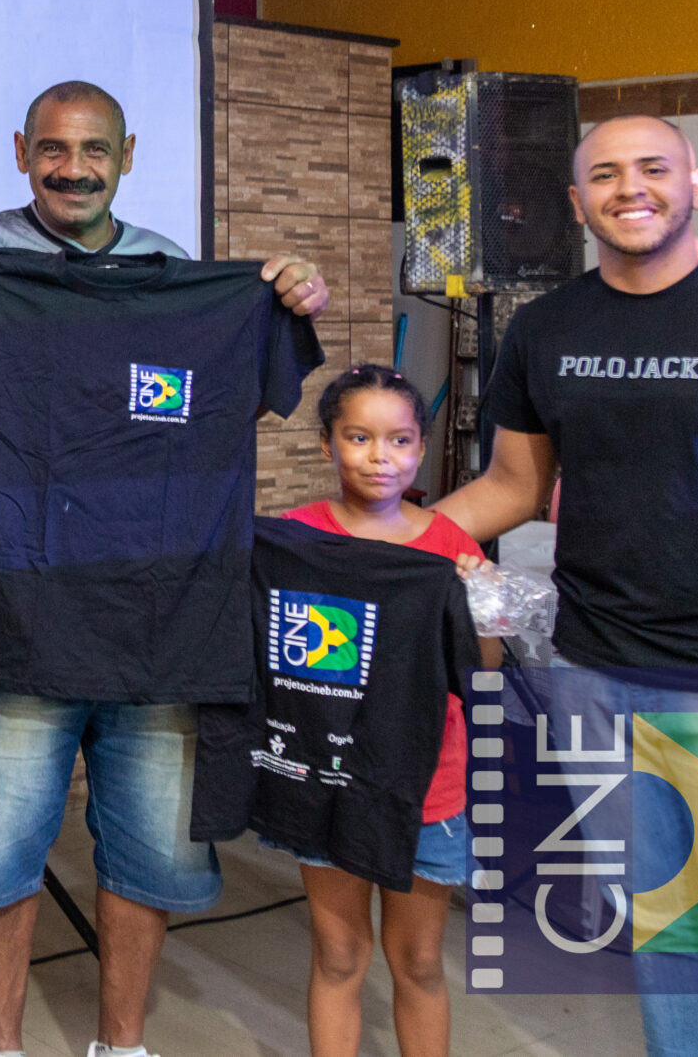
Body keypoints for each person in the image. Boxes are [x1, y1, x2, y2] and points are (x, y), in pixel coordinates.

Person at [0, 80, 330, 1057]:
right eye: (52, 148)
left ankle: (120, 1045)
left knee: (149, 851)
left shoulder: (170, 272)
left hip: (158, 621)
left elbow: (224, 410)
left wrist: (280, 304)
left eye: (93, 150)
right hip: (23, 615)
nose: (72, 168)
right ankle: (2, 1046)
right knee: (0, 851)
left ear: (126, 157)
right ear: (20, 152)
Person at [437, 113, 698, 1057]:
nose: (630, 187)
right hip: (594, 674)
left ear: (695, 183)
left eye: (653, 168)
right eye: (605, 174)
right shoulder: (545, 328)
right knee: (667, 930)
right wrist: (384, 538)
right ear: (576, 200)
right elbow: (512, 485)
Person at [273, 365, 498, 1057]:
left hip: (428, 785)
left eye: (399, 440)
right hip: (327, 778)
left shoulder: (452, 548)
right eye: (359, 437)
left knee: (421, 960)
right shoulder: (290, 540)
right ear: (327, 443)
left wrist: (485, 604)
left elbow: (482, 672)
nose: (381, 456)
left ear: (421, 448)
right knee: (338, 953)